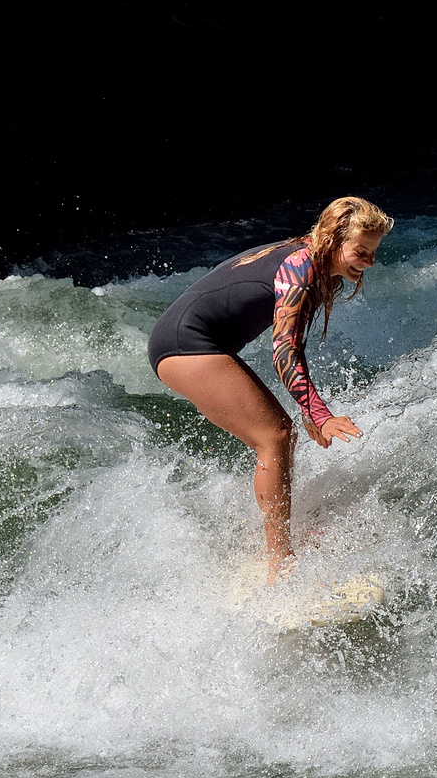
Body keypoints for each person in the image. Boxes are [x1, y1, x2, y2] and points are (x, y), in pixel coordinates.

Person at [147, 196, 394, 579]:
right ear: (332, 240)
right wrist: (318, 412)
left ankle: (280, 549)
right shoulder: (300, 268)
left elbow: (293, 344)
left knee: (281, 434)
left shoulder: (310, 260)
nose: (370, 262)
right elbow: (284, 349)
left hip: (194, 342)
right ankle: (281, 566)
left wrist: (309, 409)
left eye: (373, 253)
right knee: (275, 435)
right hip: (184, 343)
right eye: (361, 251)